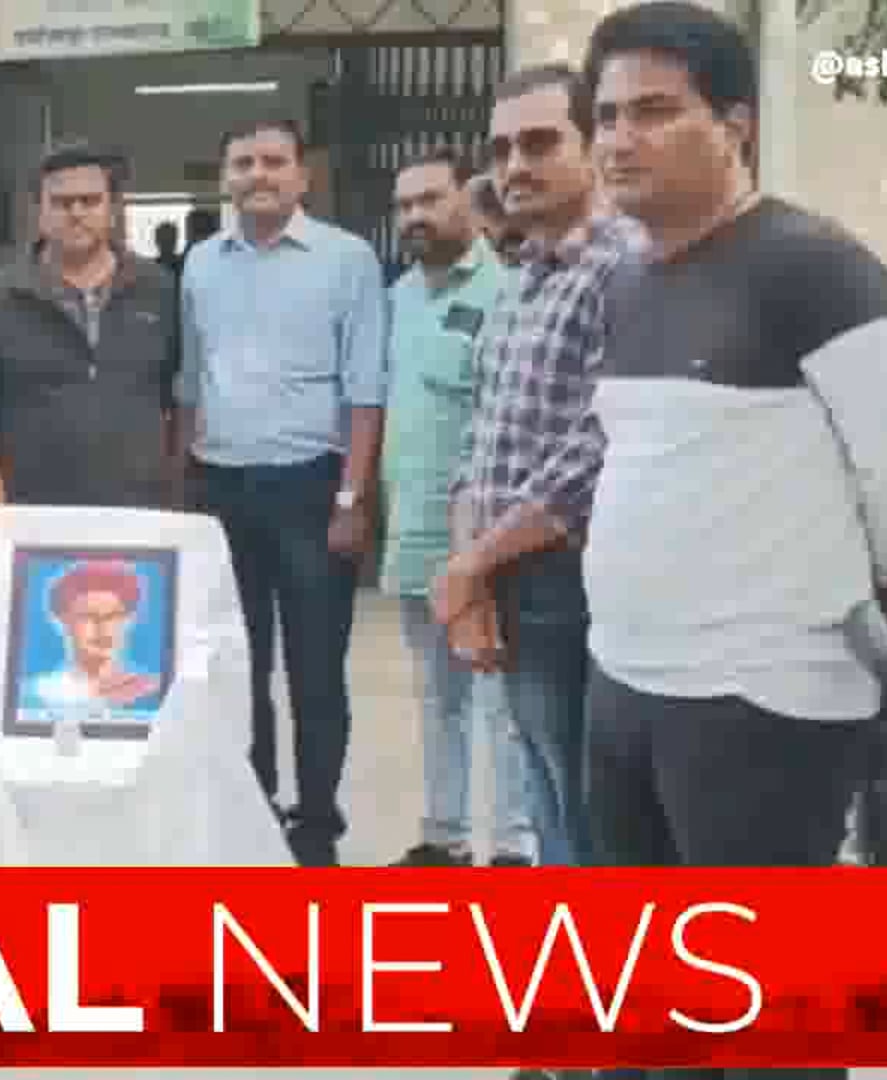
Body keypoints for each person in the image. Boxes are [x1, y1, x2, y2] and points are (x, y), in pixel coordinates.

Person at [580, 1, 887, 888]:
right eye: (606, 116)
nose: (620, 140)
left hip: (761, 702)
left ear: (735, 126)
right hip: (625, 681)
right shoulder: (629, 280)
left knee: (758, 964)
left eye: (654, 111)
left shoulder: (816, 270)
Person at [429, 65, 646, 871]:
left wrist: (473, 565)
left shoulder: (626, 269)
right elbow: (477, 439)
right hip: (507, 575)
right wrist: (470, 570)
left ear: (593, 146)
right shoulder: (523, 279)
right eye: (501, 149)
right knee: (547, 790)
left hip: (573, 579)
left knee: (592, 809)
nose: (515, 166)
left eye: (540, 142)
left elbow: (596, 449)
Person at [176, 118, 388, 867]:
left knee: (316, 669)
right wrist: (183, 486)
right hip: (221, 487)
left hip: (311, 488)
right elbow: (190, 381)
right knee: (239, 665)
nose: (258, 175)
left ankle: (317, 822)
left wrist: (351, 498)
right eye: (243, 163)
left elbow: (366, 388)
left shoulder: (346, 259)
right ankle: (256, 809)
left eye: (273, 161)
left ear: (303, 176)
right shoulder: (201, 264)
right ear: (225, 178)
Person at [379, 146, 532, 869]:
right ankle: (444, 839)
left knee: (499, 701)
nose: (415, 215)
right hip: (416, 532)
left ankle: (512, 850)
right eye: (405, 204)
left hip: (487, 535)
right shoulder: (400, 297)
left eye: (430, 200)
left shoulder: (510, 292)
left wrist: (490, 543)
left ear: (468, 203)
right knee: (436, 698)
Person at [0, 142, 181, 511]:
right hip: (31, 510)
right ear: (39, 212)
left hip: (137, 508)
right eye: (61, 203)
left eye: (90, 201)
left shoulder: (158, 289)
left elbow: (176, 395)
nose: (76, 213)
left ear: (112, 209)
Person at [25, 560, 162, 710]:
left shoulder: (151, 692)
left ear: (129, 620)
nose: (104, 630)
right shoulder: (36, 696)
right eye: (88, 617)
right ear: (61, 621)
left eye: (113, 616)